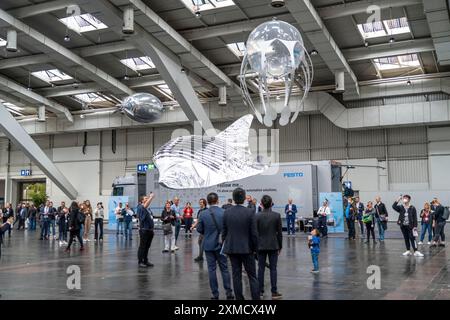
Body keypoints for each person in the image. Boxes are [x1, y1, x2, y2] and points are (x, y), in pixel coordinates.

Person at [222, 187, 259, 300]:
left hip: (232, 249)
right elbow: (254, 233)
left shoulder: (226, 212)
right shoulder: (250, 212)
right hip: (247, 249)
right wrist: (255, 249)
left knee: (236, 275)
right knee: (252, 276)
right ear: (244, 199)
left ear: (233, 198)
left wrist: (226, 246)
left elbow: (224, 233)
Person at [196, 192, 234, 300]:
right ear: (217, 200)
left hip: (208, 245)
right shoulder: (224, 212)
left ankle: (215, 294)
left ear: (207, 202)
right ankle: (229, 293)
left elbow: (199, 229)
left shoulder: (203, 214)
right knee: (224, 269)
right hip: (222, 245)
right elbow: (228, 228)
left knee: (211, 269)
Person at [256, 195, 283, 299]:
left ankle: (260, 291)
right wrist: (280, 246)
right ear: (271, 203)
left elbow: (255, 233)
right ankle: (274, 291)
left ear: (261, 204)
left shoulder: (257, 216)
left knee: (261, 269)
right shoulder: (276, 215)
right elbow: (279, 233)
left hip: (260, 246)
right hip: (273, 245)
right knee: (273, 269)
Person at [137, 192, 155, 268]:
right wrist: (151, 197)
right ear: (141, 201)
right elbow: (144, 206)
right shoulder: (140, 207)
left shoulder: (148, 209)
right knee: (142, 246)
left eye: (147, 198)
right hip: (144, 230)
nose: (147, 199)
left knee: (147, 246)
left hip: (149, 230)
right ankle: (140, 261)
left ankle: (145, 260)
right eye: (145, 199)